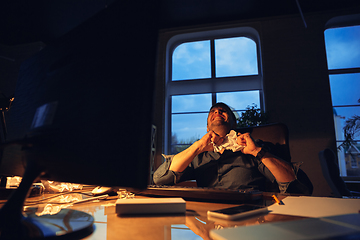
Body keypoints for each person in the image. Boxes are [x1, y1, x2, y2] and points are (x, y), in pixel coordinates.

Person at [153, 102, 313, 194]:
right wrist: (198, 146)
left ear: (234, 123)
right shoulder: (199, 154)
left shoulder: (254, 146)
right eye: (212, 112)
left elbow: (301, 188)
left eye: (223, 111)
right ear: (207, 127)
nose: (217, 111)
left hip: (249, 215)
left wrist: (257, 152)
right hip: (207, 215)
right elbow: (160, 179)